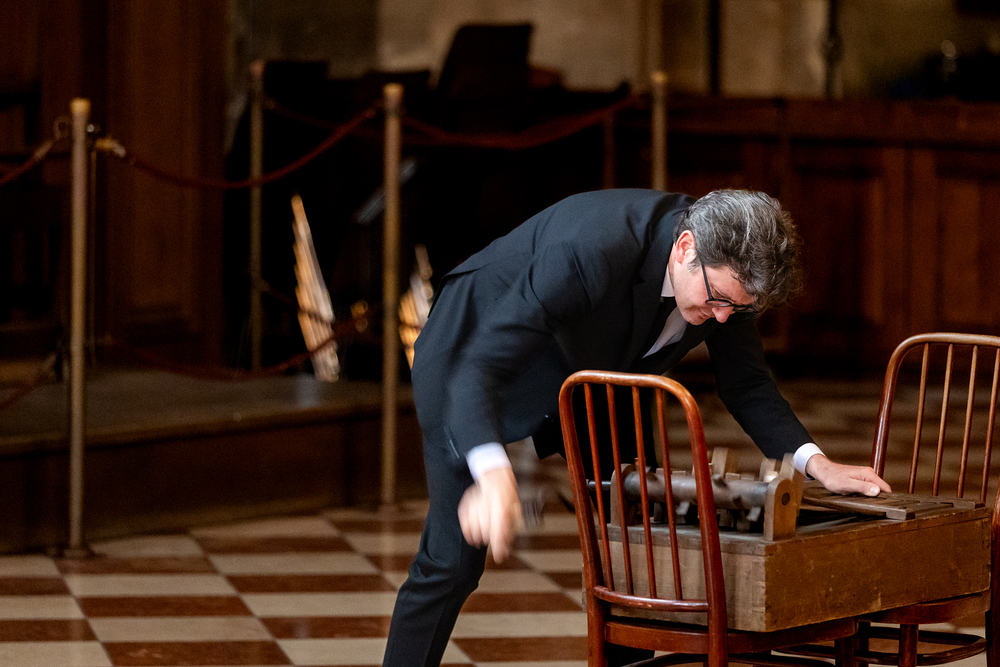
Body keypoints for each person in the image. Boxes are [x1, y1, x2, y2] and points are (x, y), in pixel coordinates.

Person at [381, 188, 891, 667]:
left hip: (592, 370)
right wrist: (493, 471)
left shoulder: (727, 279)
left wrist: (817, 465)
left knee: (636, 540)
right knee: (452, 562)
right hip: (470, 354)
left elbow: (747, 384)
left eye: (736, 308)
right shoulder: (591, 249)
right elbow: (481, 366)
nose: (721, 318)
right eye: (717, 299)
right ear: (685, 247)